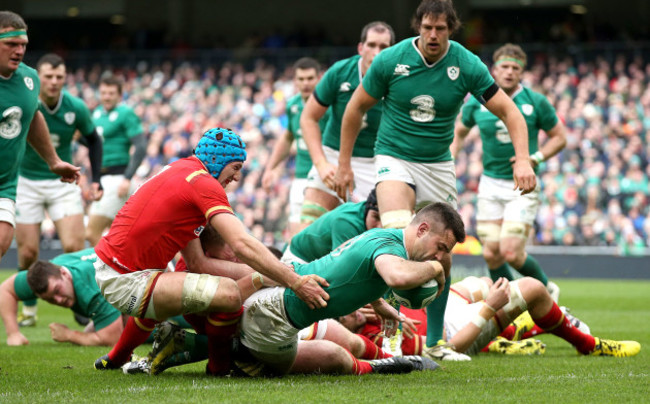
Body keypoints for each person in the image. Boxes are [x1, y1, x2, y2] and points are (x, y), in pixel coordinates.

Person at [334, 0, 536, 359]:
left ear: (451, 30)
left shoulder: (466, 63)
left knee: (441, 250)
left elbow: (510, 111)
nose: (432, 35)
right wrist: (345, 163)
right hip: (394, 156)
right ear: (418, 27)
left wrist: (523, 159)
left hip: (438, 162)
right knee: (400, 237)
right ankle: (394, 336)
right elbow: (355, 109)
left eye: (440, 29)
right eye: (427, 27)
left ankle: (434, 343)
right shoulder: (390, 61)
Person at [92, 127, 329, 376]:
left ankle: (118, 356)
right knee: (229, 296)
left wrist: (267, 274)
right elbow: (241, 243)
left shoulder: (181, 170)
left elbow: (198, 263)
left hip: (118, 271)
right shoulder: (203, 182)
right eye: (236, 167)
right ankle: (220, 367)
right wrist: (292, 280)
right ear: (218, 160)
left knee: (202, 289)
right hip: (128, 279)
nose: (237, 177)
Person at [239, 202, 464, 376]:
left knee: (341, 347)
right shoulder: (391, 248)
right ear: (422, 229)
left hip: (279, 305)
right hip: (271, 318)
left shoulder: (385, 237)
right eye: (440, 247)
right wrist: (434, 267)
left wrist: (379, 304)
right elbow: (398, 277)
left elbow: (356, 270)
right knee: (320, 362)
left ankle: (238, 350)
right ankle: (237, 354)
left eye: (445, 253)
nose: (440, 257)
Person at [452, 43, 566, 301]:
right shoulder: (479, 102)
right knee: (492, 253)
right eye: (504, 66)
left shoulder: (535, 101)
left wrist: (534, 158)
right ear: (494, 68)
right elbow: (459, 130)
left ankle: (547, 290)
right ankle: (508, 305)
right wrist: (451, 157)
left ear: (522, 72)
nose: (510, 72)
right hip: (490, 184)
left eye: (516, 68)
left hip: (522, 184)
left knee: (512, 252)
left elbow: (560, 137)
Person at [14, 53, 103, 327]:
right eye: (48, 76)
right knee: (28, 253)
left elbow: (94, 141)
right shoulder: (24, 102)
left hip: (62, 181)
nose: (53, 82)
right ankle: (28, 310)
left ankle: (82, 304)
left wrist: (96, 179)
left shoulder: (75, 107)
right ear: (38, 78)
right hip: (25, 181)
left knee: (75, 246)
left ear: (65, 79)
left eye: (59, 77)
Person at [0, 11, 80, 266]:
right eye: (11, 44)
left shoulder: (29, 79)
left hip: (5, 184)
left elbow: (32, 117)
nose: (19, 51)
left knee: (2, 241)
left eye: (23, 45)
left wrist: (53, 160)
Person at [299, 21, 394, 226]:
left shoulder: (400, 78)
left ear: (391, 51)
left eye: (384, 47)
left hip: (377, 162)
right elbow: (308, 118)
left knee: (379, 231)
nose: (376, 52)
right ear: (361, 48)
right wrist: (321, 164)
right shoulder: (340, 72)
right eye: (371, 45)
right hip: (334, 155)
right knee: (309, 219)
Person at [441, 276, 640, 357]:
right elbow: (440, 347)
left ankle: (530, 323)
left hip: (443, 305)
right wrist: (489, 309)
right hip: (450, 328)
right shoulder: (408, 330)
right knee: (532, 288)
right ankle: (588, 345)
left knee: (484, 282)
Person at [0, 248, 124, 346]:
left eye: (57, 290)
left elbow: (112, 339)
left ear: (64, 273)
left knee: (129, 327)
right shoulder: (47, 275)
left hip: (138, 278)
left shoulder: (92, 289)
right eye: (50, 299)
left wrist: (69, 335)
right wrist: (13, 334)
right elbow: (5, 290)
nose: (59, 300)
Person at [261, 57, 329, 237]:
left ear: (319, 78)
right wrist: (270, 168)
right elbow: (288, 136)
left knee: (323, 232)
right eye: (301, 79)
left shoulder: (330, 106)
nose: (305, 83)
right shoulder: (293, 105)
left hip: (327, 176)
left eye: (310, 78)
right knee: (295, 234)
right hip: (301, 175)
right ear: (295, 81)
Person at [85, 75, 147, 246]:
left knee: (91, 232)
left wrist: (127, 177)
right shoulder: (97, 113)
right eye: (103, 92)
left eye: (111, 93)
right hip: (102, 178)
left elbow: (140, 146)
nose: (106, 96)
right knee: (125, 236)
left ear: (120, 95)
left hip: (117, 179)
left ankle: (106, 270)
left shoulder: (125, 113)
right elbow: (92, 143)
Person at [281, 187, 380, 264]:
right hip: (299, 259)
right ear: (367, 208)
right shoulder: (346, 223)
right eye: (375, 217)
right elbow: (342, 268)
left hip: (320, 262)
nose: (380, 226)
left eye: (384, 220)